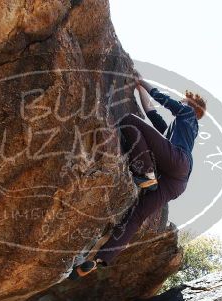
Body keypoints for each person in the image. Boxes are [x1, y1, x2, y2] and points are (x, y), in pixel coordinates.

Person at [70, 72, 206, 278]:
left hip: (177, 162)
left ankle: (146, 173)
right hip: (177, 182)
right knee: (137, 215)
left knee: (128, 120)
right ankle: (99, 260)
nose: (181, 102)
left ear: (191, 105)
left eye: (184, 101)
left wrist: (143, 81)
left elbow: (164, 100)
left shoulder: (188, 115)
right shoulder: (178, 130)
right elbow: (152, 112)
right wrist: (139, 88)